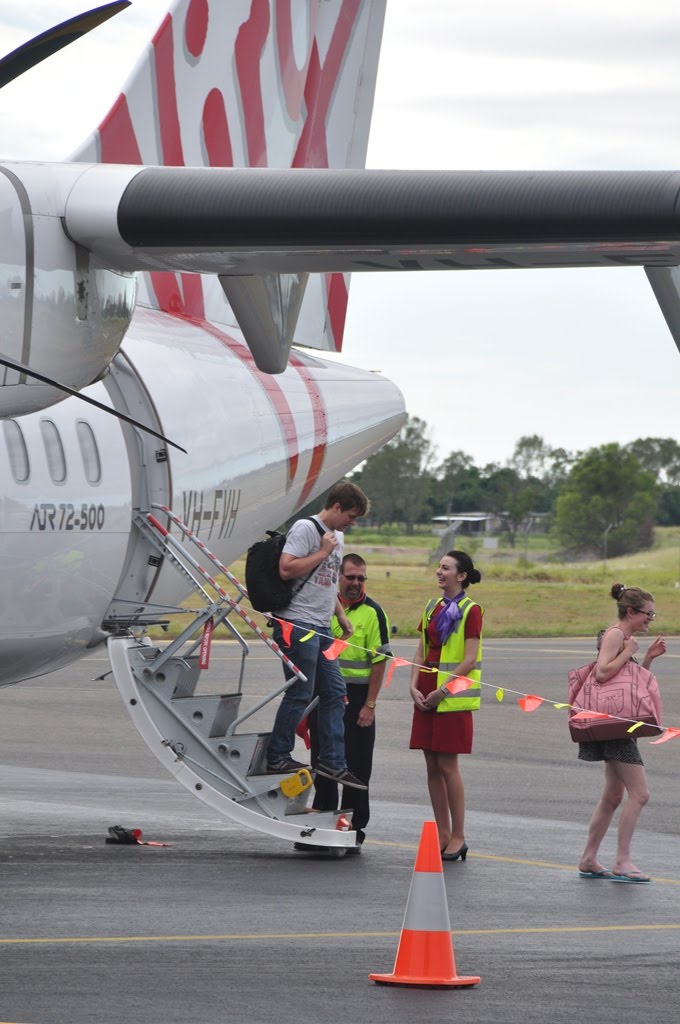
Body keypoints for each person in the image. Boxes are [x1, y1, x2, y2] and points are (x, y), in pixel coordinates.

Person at [265, 480, 369, 791]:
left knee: (336, 692)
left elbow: (323, 582)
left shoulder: (337, 535)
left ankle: (332, 762)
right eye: (350, 516)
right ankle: (277, 754)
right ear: (336, 507)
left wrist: (339, 615)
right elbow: (287, 569)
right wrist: (323, 550)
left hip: (322, 626)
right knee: (300, 692)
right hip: (297, 625)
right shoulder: (306, 529)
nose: (351, 523)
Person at [577, 583, 666, 883]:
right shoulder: (616, 634)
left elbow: (628, 680)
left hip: (618, 722)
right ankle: (622, 860)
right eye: (647, 614)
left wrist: (648, 659)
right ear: (631, 611)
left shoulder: (623, 637)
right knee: (640, 794)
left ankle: (589, 858)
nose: (650, 620)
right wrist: (628, 650)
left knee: (614, 795)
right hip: (613, 725)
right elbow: (602, 672)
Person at [306, 553, 392, 853]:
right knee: (322, 760)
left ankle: (354, 829)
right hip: (324, 695)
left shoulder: (374, 613)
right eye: (350, 577)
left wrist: (370, 705)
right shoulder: (323, 606)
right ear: (338, 578)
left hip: (357, 700)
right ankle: (322, 823)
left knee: (357, 767)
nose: (356, 583)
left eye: (361, 578)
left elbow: (381, 661)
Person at [409, 550, 483, 861]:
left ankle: (458, 835)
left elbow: (468, 659)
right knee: (431, 764)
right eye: (439, 567)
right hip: (426, 688)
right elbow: (421, 651)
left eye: (446, 568)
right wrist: (413, 684)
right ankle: (441, 831)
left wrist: (443, 690)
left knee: (448, 766)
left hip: (450, 694)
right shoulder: (431, 606)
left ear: (462, 575)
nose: (440, 572)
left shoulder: (471, 610)